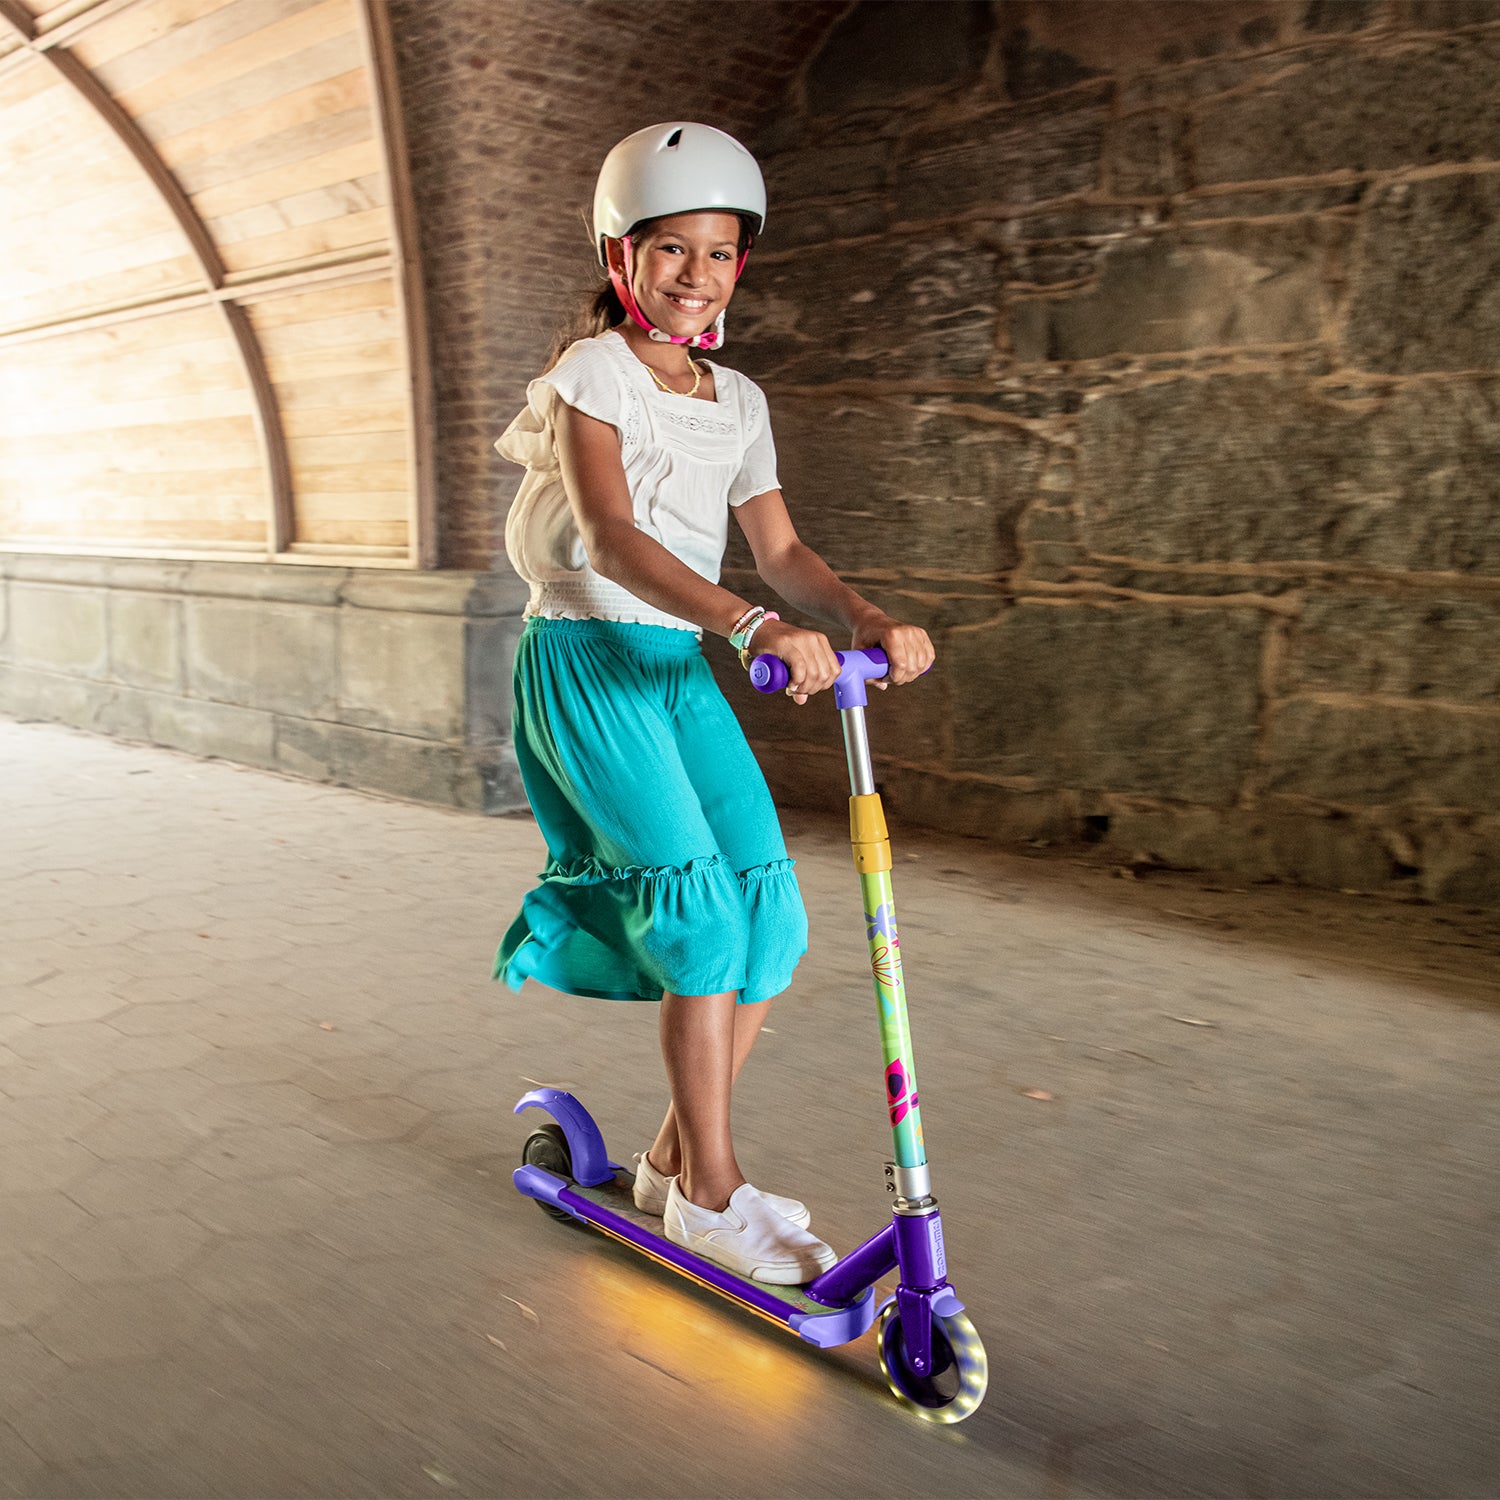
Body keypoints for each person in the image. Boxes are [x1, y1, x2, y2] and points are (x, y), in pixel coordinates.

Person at [493, 121, 934, 1286]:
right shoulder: (591, 375)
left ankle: (668, 1167)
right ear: (618, 253)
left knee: (766, 919)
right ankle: (712, 1192)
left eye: (721, 253)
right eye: (670, 249)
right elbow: (612, 537)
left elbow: (781, 549)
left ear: (744, 264)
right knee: (696, 919)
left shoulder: (737, 398)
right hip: (590, 659)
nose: (696, 275)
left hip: (676, 665)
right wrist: (746, 626)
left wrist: (858, 617)